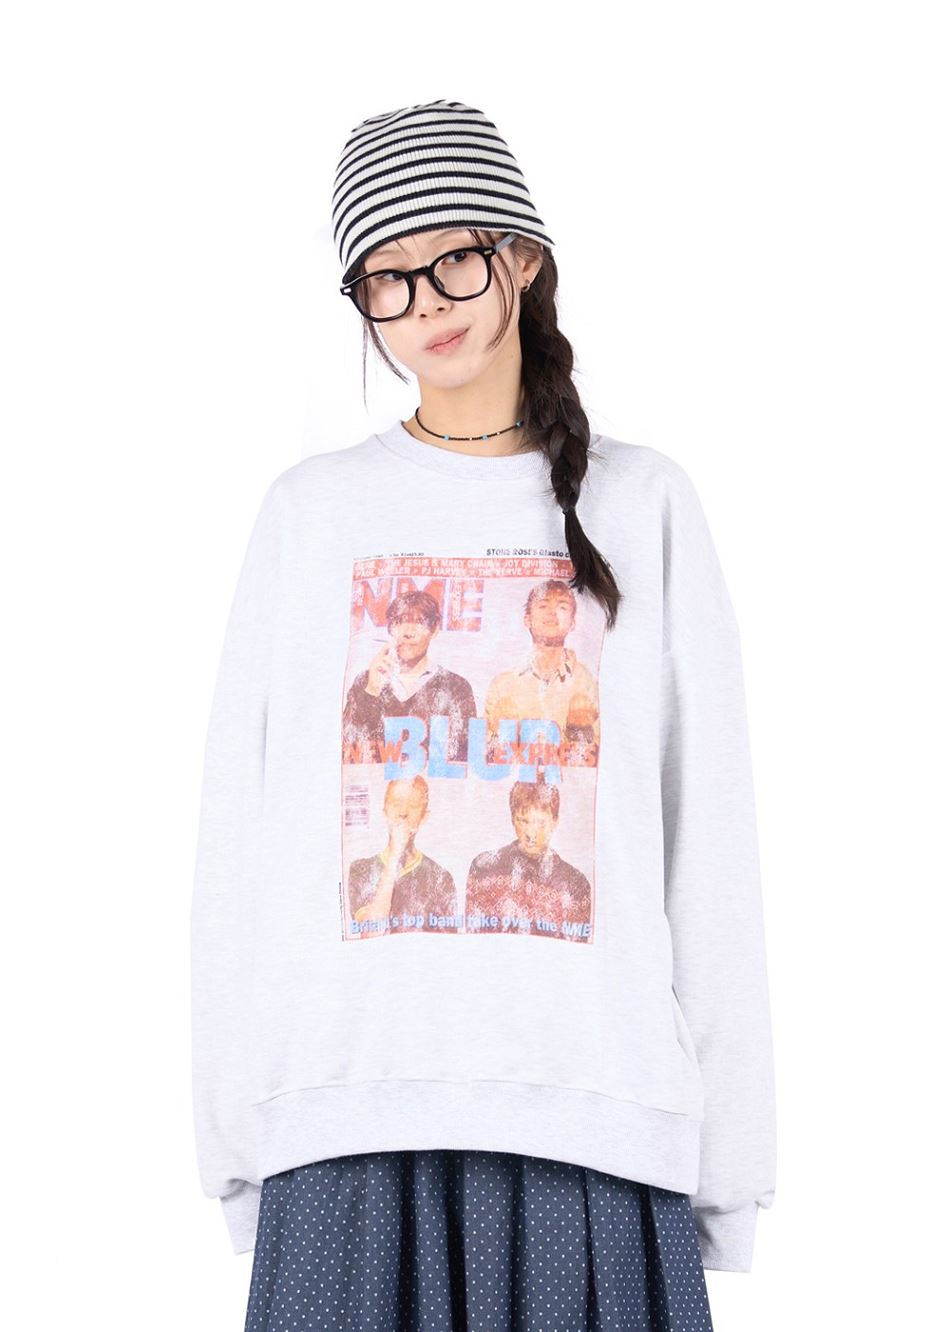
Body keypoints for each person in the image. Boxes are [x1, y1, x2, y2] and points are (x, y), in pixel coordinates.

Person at [190, 97, 777, 1330]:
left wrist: (728, 1166)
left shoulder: (644, 504)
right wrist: (240, 1134)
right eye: (385, 278)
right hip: (347, 1116)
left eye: (451, 258)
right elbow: (240, 846)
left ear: (522, 257)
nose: (424, 302)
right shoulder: (310, 516)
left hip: (592, 1120)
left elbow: (706, 845)